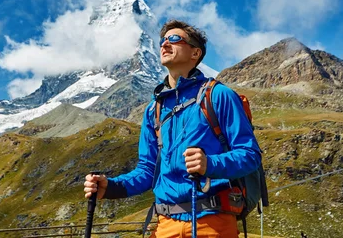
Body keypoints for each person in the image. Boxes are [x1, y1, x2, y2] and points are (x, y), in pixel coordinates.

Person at [84, 20, 262, 237]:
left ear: (195, 53)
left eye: (175, 39)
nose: (165, 44)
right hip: (165, 224)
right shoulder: (154, 109)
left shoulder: (218, 95)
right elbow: (147, 171)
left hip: (213, 222)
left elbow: (250, 155)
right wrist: (110, 187)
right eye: (163, 40)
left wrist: (210, 164)